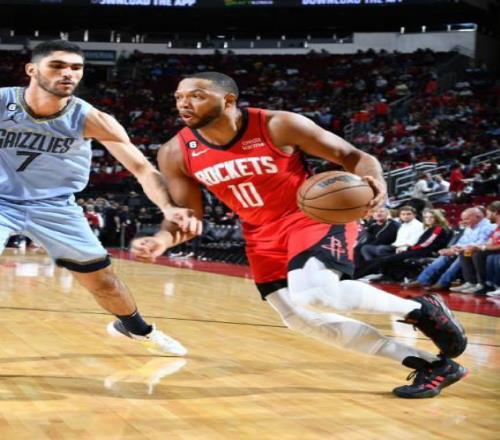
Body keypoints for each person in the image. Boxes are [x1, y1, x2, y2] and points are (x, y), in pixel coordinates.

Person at [132, 72, 467, 398]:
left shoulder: (278, 124)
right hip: (260, 233)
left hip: (310, 216)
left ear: (229, 100)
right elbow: (188, 217)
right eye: (179, 97)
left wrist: (375, 180)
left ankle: (421, 309)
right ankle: (433, 366)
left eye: (196, 96)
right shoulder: (175, 152)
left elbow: (354, 156)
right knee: (300, 318)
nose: (184, 103)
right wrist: (161, 240)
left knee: (315, 293)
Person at [0, 40, 201, 355]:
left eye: (76, 68)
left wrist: (168, 207)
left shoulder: (91, 118)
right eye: (57, 66)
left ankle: (136, 329)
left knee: (103, 282)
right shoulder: (3, 102)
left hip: (55, 206)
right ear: (32, 70)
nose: (68, 73)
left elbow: (141, 168)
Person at [406, 207, 495, 291]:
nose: (464, 221)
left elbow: (480, 243)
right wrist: (452, 248)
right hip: (462, 250)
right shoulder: (470, 226)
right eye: (463, 219)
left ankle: (442, 283)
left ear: (478, 217)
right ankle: (422, 280)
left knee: (461, 257)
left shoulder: (488, 227)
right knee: (444, 256)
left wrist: (456, 250)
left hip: (475, 251)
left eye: (467, 219)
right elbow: (462, 241)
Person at [356, 209, 451, 281]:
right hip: (418, 250)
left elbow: (426, 244)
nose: (428, 219)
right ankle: (387, 275)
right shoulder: (431, 228)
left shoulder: (438, 228)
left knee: (387, 258)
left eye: (431, 217)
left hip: (425, 252)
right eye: (426, 217)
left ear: (437, 218)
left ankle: (360, 275)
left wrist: (408, 248)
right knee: (385, 257)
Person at [451, 201, 500, 295]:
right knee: (467, 252)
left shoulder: (490, 226)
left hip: (496, 251)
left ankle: (485, 284)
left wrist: (482, 248)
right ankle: (472, 282)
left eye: (488, 213)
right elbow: (490, 241)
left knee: (479, 255)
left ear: (495, 212)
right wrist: (477, 246)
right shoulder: (497, 226)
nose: (486, 216)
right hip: (493, 249)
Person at [359, 206, 424, 266]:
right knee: (365, 248)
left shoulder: (418, 226)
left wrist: (402, 247)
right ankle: (373, 267)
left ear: (414, 215)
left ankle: (376, 267)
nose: (406, 216)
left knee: (380, 250)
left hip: (406, 248)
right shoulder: (403, 225)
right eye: (403, 214)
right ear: (400, 216)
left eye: (408, 214)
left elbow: (414, 242)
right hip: (395, 246)